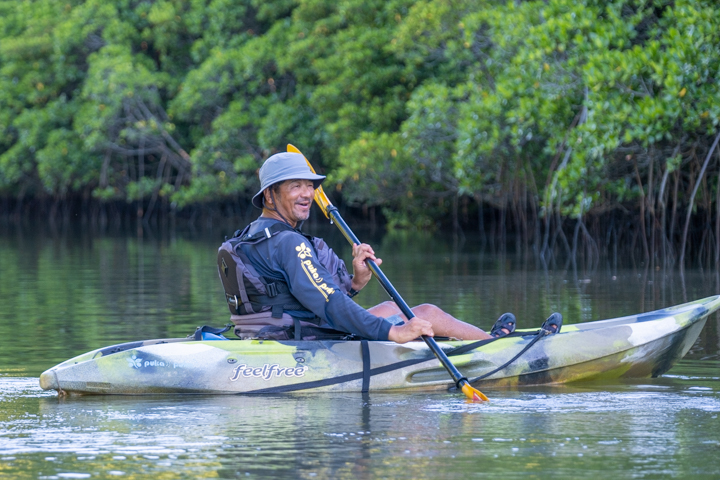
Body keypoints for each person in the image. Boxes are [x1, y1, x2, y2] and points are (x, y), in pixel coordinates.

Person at [218, 152, 519, 344]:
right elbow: (329, 304)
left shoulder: (250, 236)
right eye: (295, 186)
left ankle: (486, 341)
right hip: (300, 340)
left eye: (310, 185)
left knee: (391, 307)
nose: (307, 194)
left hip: (271, 333)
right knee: (427, 313)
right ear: (269, 196)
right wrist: (393, 333)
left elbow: (294, 298)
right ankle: (499, 348)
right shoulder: (289, 242)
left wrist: (355, 282)